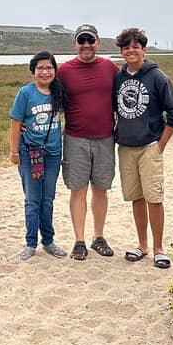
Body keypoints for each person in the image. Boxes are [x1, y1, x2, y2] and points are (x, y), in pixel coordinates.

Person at [113, 27, 173, 269]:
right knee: (136, 197)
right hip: (125, 146)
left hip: (149, 146)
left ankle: (158, 248)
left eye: (136, 46)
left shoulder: (157, 77)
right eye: (126, 47)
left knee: (154, 197)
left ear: (144, 49)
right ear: (122, 52)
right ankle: (142, 245)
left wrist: (160, 145)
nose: (131, 51)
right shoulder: (119, 78)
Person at [57, 24, 120, 261]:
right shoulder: (64, 71)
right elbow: (47, 95)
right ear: (74, 44)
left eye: (90, 40)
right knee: (78, 189)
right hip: (75, 139)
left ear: (98, 43)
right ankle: (79, 240)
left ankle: (99, 237)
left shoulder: (110, 68)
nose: (86, 45)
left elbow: (128, 92)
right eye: (81, 40)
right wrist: (23, 122)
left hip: (105, 138)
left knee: (101, 189)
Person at [9, 51, 69, 261]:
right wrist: (14, 152)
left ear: (55, 70)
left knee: (48, 199)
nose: (45, 72)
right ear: (33, 71)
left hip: (53, 154)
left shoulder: (59, 92)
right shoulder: (25, 93)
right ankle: (30, 243)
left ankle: (49, 241)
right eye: (40, 68)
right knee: (33, 200)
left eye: (49, 67)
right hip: (30, 154)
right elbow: (16, 123)